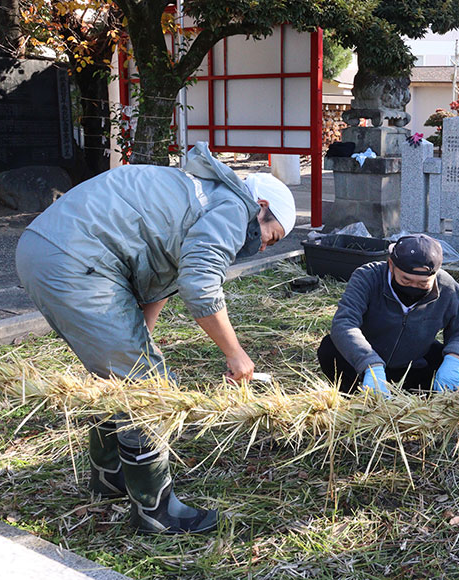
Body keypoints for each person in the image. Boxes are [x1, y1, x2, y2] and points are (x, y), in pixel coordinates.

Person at [15, 142, 296, 534]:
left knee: (120, 377)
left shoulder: (196, 193)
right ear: (261, 205)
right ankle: (156, 512)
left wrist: (138, 341)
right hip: (76, 259)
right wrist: (237, 356)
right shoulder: (234, 207)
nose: (264, 244)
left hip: (45, 248)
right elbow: (200, 284)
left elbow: (157, 281)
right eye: (272, 235)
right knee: (149, 388)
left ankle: (110, 475)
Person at [318, 234, 459, 395]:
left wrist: (452, 359)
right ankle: (356, 395)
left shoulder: (447, 287)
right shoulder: (368, 277)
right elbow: (344, 323)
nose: (413, 287)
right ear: (391, 265)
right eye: (406, 281)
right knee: (329, 349)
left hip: (414, 364)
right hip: (367, 365)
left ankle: (423, 395)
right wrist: (369, 364)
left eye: (423, 283)